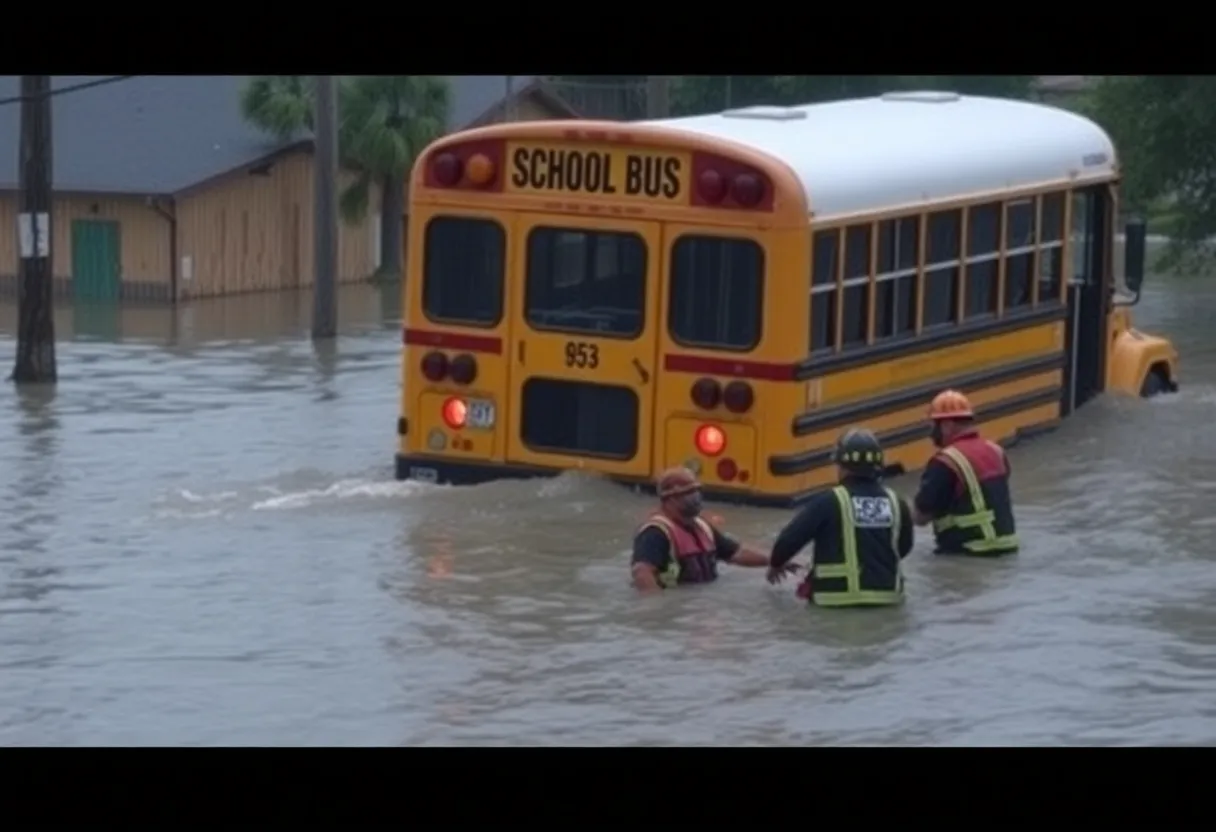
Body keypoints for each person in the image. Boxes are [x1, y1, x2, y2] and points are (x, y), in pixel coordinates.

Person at [767, 427, 914, 607]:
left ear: (842, 467)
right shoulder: (897, 503)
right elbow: (904, 547)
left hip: (834, 602)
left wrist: (776, 564)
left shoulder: (828, 502)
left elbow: (789, 540)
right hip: (888, 601)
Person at [631, 466, 793, 592]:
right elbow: (642, 572)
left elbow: (736, 553)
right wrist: (656, 605)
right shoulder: (655, 532)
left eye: (696, 492)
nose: (695, 498)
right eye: (688, 493)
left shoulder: (702, 526)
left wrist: (776, 560)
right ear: (670, 499)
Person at [910, 389, 1019, 556]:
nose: (932, 433)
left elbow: (921, 517)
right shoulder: (996, 451)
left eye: (934, 426)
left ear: (946, 426)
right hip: (1009, 547)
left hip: (967, 552)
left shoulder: (945, 462)